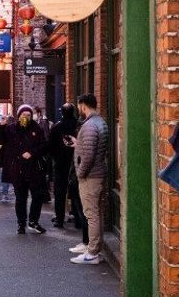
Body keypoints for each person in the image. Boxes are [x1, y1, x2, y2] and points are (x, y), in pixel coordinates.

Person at [72, 93, 110, 265]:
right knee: (97, 213)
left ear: (83, 105)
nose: (79, 109)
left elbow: (88, 155)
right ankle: (95, 248)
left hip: (90, 176)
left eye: (79, 105)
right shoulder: (100, 122)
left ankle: (92, 252)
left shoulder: (89, 126)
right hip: (98, 173)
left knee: (91, 214)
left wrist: (80, 173)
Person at [1, 104, 49, 234]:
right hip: (18, 168)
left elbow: (44, 145)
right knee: (20, 198)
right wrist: (2, 126)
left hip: (33, 168)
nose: (26, 117)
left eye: (28, 115)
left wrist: (32, 153)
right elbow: (5, 143)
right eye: (24, 115)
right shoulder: (12, 129)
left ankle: (33, 221)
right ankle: (21, 223)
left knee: (37, 196)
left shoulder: (37, 128)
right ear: (19, 116)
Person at [47, 102, 80, 228]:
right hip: (75, 163)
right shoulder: (78, 126)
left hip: (60, 164)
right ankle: (78, 219)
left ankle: (60, 219)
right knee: (76, 192)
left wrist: (54, 159)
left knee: (60, 193)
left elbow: (50, 147)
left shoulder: (56, 127)